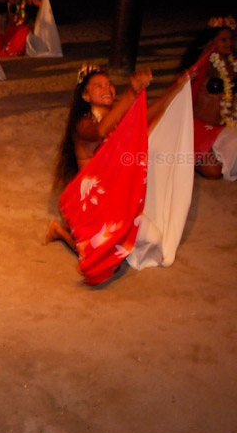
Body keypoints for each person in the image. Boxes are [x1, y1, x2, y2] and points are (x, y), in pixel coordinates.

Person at [45, 65, 191, 284]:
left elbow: (146, 116)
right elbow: (99, 132)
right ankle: (61, 232)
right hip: (93, 204)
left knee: (155, 241)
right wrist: (131, 93)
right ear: (85, 95)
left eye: (109, 84)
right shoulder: (83, 124)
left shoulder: (117, 116)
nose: (107, 88)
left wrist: (175, 89)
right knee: (102, 266)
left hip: (116, 198)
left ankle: (94, 238)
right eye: (99, 86)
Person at [181, 18, 236, 180]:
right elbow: (183, 85)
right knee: (214, 173)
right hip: (199, 128)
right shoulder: (202, 65)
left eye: (231, 39)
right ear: (211, 42)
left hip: (223, 128)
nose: (229, 43)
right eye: (223, 40)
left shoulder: (233, 64)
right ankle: (188, 156)